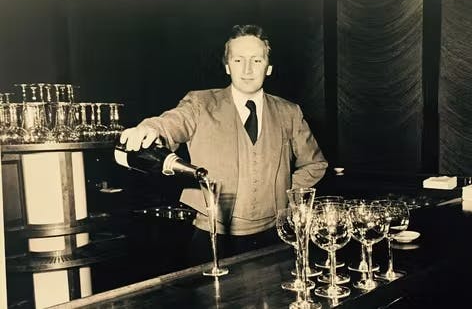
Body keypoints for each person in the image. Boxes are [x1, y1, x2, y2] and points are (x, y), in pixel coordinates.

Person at [120, 24, 328, 264]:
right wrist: (150, 128)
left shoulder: (289, 112)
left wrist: (283, 192)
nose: (247, 69)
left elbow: (315, 164)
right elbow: (171, 123)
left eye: (256, 61)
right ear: (227, 66)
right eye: (238, 60)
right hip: (213, 237)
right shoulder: (200, 103)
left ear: (269, 68)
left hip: (275, 236)